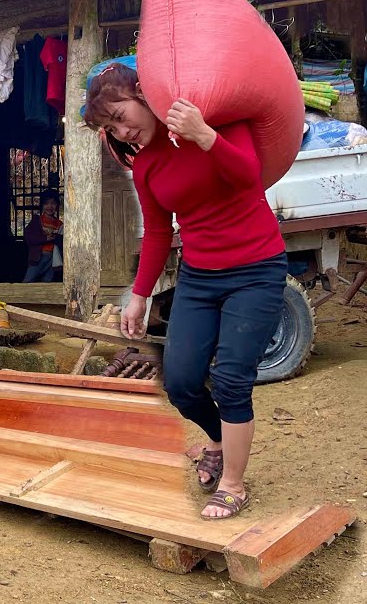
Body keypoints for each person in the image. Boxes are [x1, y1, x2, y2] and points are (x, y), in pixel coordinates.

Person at [83, 63, 287, 520]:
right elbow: (158, 231)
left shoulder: (217, 119)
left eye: (120, 114)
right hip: (198, 277)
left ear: (145, 92)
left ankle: (233, 484)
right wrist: (139, 295)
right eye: (110, 126)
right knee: (180, 382)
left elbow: (250, 179)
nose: (121, 130)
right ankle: (217, 442)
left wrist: (203, 135)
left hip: (255, 270)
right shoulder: (146, 164)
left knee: (233, 379)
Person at [22, 190, 63, 283]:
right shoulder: (37, 220)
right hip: (39, 256)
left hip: (54, 258)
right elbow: (28, 237)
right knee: (28, 280)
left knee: (47, 281)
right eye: (46, 204)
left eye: (53, 203)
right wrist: (45, 239)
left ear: (57, 205)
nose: (50, 206)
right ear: (42, 206)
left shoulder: (60, 224)